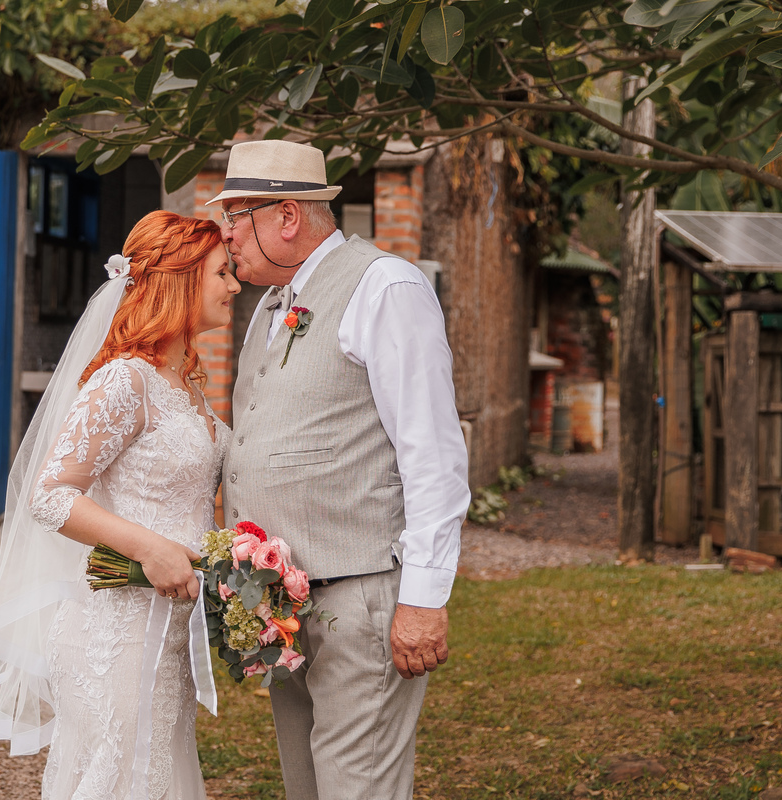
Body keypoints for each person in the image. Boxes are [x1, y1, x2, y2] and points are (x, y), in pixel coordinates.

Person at [211, 140, 471, 800]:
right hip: (286, 606)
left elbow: (433, 453)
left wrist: (425, 597)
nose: (227, 235)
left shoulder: (387, 287)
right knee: (307, 787)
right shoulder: (268, 311)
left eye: (237, 216)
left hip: (360, 600)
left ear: (287, 217)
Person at [0, 210, 241, 800]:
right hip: (115, 633)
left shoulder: (187, 383)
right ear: (181, 281)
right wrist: (151, 549)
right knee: (122, 779)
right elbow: (49, 496)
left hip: (167, 632)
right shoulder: (125, 381)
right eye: (221, 274)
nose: (234, 286)